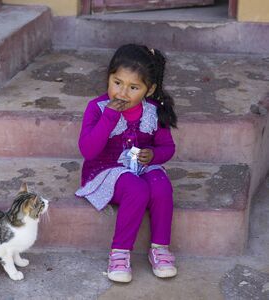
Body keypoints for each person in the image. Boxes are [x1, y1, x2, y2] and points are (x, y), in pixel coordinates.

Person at [75, 44, 178, 283]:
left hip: (140, 167)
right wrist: (110, 116)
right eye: (117, 82)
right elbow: (88, 151)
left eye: (133, 87)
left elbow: (168, 148)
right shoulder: (97, 108)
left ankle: (160, 248)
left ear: (149, 90)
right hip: (104, 170)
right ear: (108, 78)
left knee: (161, 185)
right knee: (137, 187)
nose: (122, 93)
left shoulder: (153, 111)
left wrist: (153, 155)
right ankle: (119, 253)